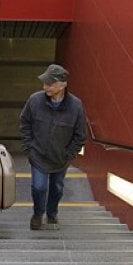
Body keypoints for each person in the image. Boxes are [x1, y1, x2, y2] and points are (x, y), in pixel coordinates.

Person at [20, 63, 87, 230]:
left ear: (62, 85)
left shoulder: (76, 106)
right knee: (39, 187)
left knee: (57, 188)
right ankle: (37, 214)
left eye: (50, 84)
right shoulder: (35, 100)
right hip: (38, 155)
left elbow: (80, 135)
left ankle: (52, 213)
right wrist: (29, 147)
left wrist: (68, 154)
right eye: (44, 83)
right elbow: (25, 122)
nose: (45, 87)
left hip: (60, 159)